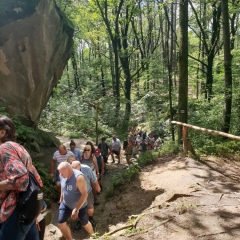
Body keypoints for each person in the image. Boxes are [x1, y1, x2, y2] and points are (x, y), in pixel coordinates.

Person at [0, 115, 43, 240]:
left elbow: (21, 179)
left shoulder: (3, 149)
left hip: (15, 209)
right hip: (28, 208)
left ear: (2, 132)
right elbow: (34, 176)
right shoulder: (18, 147)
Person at [57, 162, 93, 238]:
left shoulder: (79, 178)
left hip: (80, 206)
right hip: (66, 204)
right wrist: (61, 199)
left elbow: (84, 194)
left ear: (69, 170)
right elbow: (63, 187)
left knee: (85, 223)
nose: (61, 175)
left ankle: (93, 236)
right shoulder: (62, 175)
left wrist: (76, 209)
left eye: (62, 172)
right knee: (61, 223)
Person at [71, 160, 101, 228]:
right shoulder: (70, 171)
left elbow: (93, 178)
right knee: (77, 209)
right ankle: (78, 222)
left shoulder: (86, 169)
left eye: (75, 167)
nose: (74, 169)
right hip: (76, 194)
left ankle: (91, 218)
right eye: (73, 167)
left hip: (87, 192)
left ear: (80, 166)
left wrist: (97, 186)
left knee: (90, 209)